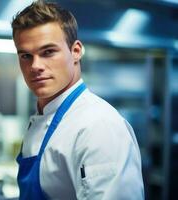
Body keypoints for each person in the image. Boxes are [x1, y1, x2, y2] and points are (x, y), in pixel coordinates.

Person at [11, 1, 144, 199]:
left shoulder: (98, 126)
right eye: (26, 56)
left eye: (48, 52)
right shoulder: (43, 116)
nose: (35, 66)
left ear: (76, 51)